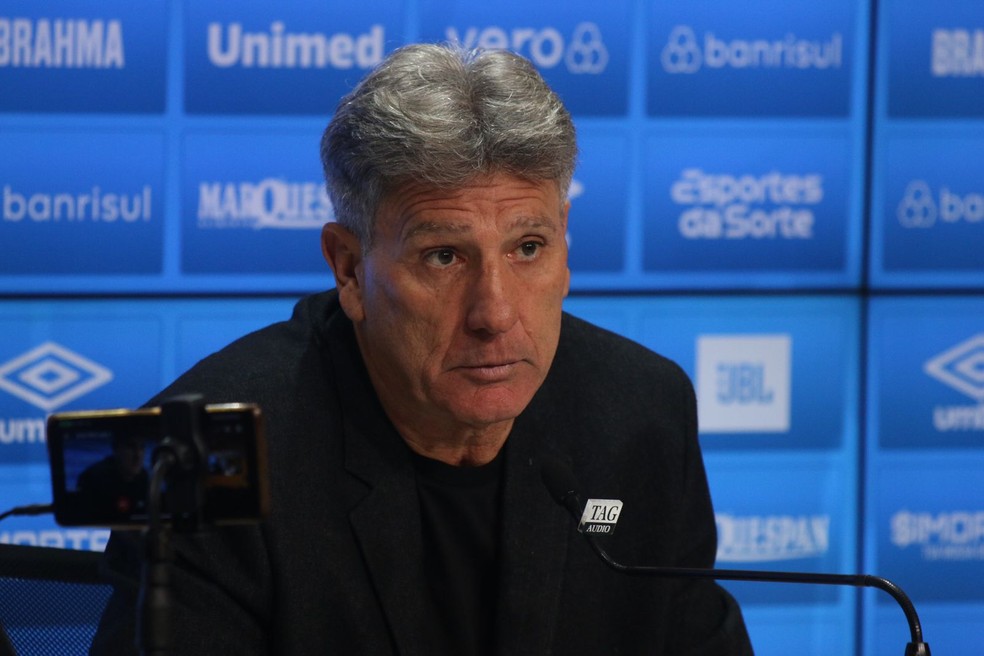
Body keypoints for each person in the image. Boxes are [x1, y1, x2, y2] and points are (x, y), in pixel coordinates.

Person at [91, 43, 753, 655]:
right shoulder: (209, 455)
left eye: (528, 248)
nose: (494, 314)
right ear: (348, 268)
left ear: (565, 240)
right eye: (442, 256)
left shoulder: (642, 412)